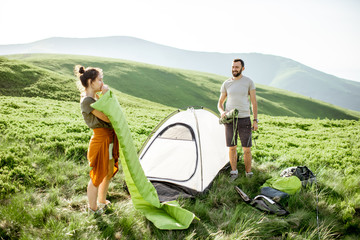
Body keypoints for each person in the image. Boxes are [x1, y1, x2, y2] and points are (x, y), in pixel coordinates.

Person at [75, 65, 119, 214]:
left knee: (107, 173)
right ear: (90, 81)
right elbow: (107, 117)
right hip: (101, 140)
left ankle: (101, 200)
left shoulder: (95, 98)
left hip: (109, 138)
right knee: (97, 175)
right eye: (99, 80)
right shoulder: (87, 101)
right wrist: (106, 96)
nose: (102, 83)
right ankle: (92, 209)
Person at [217, 58, 258, 180]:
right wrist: (222, 112)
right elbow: (220, 103)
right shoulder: (226, 83)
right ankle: (234, 172)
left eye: (237, 67)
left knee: (246, 149)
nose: (234, 69)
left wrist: (255, 120)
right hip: (230, 120)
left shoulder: (249, 82)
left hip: (245, 119)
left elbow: (254, 103)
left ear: (242, 68)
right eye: (233, 67)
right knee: (232, 147)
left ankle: (248, 173)